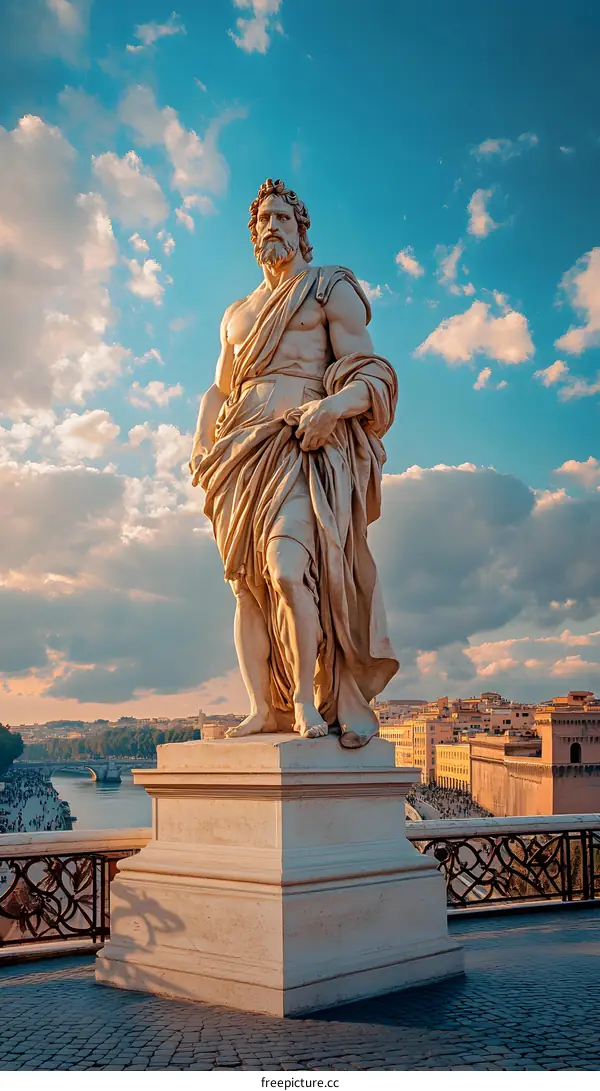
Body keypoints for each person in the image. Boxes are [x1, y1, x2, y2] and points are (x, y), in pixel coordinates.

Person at [190, 179, 398, 747]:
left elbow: (371, 373)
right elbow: (219, 388)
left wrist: (332, 409)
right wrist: (201, 441)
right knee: (247, 586)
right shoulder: (236, 313)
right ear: (253, 236)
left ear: (302, 231)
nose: (271, 228)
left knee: (286, 569)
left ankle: (306, 700)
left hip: (299, 444)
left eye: (283, 218)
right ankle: (264, 707)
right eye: (263, 221)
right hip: (238, 454)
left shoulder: (329, 287)